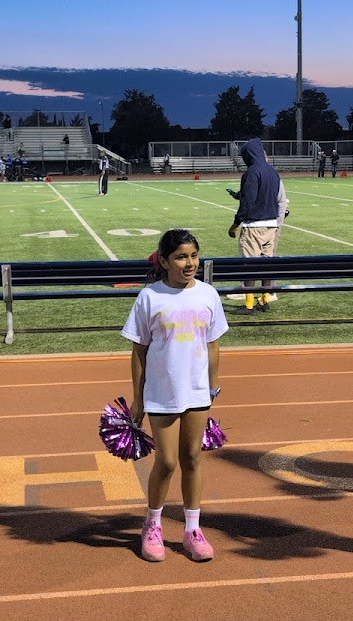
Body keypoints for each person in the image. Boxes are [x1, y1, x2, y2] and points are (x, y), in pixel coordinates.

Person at [122, 229, 228, 563]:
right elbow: (138, 351)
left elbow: (213, 345)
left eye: (194, 256)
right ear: (165, 260)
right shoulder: (150, 297)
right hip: (162, 391)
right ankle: (152, 524)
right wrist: (137, 400)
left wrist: (211, 387)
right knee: (166, 462)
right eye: (181, 257)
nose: (189, 263)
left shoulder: (208, 294)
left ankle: (192, 529)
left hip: (197, 391)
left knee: (193, 459)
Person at [226, 138, 282, 314]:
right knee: (267, 265)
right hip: (271, 225)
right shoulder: (273, 172)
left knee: (248, 266)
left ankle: (249, 305)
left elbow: (248, 203)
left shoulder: (252, 172)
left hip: (253, 226)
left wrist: (235, 225)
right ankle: (265, 301)